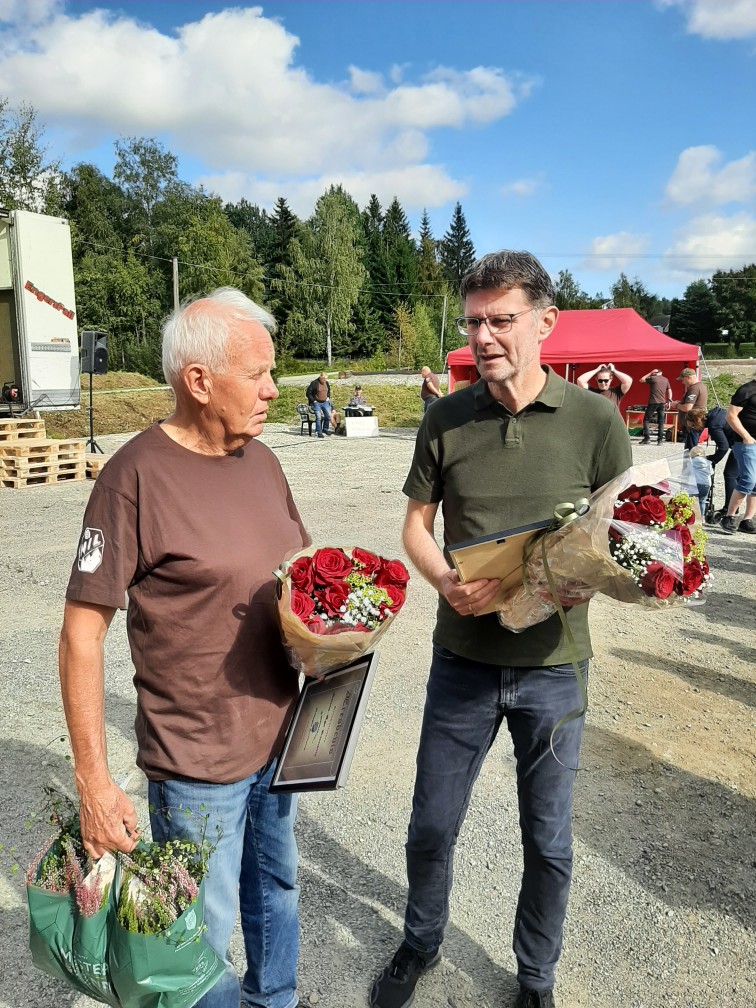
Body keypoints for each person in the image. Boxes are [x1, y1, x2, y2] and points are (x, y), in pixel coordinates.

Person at [370, 251, 631, 1008]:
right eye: (473, 322)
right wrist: (445, 581)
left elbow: (623, 534)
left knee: (548, 841)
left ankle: (535, 979)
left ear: (546, 322)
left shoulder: (595, 419)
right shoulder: (444, 417)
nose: (483, 337)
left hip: (555, 667)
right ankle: (421, 941)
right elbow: (415, 527)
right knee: (431, 825)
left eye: (501, 320)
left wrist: (596, 577)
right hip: (463, 660)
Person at [59, 288, 311, 1008]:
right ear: (198, 381)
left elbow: (299, 578)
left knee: (278, 890)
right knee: (195, 946)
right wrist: (94, 784)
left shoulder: (262, 462)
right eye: (257, 374)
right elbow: (81, 633)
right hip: (196, 765)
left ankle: (276, 1000)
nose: (273, 389)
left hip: (280, 741)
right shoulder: (133, 477)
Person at [719, 377, 756, 535]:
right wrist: (746, 436)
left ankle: (747, 520)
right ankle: (729, 516)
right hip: (746, 442)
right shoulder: (747, 390)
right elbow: (731, 415)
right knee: (748, 480)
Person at [702, 405, 738, 520]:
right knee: (738, 476)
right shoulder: (717, 413)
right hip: (744, 442)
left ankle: (728, 509)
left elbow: (723, 447)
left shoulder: (713, 425)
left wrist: (712, 460)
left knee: (730, 475)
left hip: (742, 445)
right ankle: (734, 507)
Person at [670, 368, 708, 450]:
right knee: (692, 448)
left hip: (691, 423)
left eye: (683, 380)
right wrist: (681, 403)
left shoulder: (694, 389)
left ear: (688, 377)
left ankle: (691, 459)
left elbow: (687, 408)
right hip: (696, 422)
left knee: (690, 450)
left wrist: (676, 405)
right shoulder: (701, 386)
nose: (683, 382)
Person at [638, 367, 671, 444]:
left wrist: (650, 373)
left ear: (655, 373)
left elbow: (641, 380)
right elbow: (670, 391)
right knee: (661, 421)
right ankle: (660, 440)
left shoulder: (653, 378)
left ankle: (647, 438)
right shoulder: (666, 379)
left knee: (646, 420)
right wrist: (669, 402)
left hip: (653, 402)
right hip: (662, 403)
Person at [688, 444, 713, 516]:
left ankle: (692, 516)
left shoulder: (691, 462)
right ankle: (701, 517)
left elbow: (688, 472)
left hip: (694, 484)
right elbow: (711, 473)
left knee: (693, 501)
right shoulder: (708, 463)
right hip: (706, 485)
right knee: (702, 501)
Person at [306, 372, 333, 437]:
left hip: (325, 402)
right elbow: (308, 393)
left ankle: (325, 429)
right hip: (317, 403)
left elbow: (328, 391)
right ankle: (319, 432)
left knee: (328, 416)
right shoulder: (314, 383)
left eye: (326, 379)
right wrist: (313, 401)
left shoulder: (326, 383)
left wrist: (328, 397)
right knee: (318, 417)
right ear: (320, 377)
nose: (325, 380)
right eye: (323, 379)